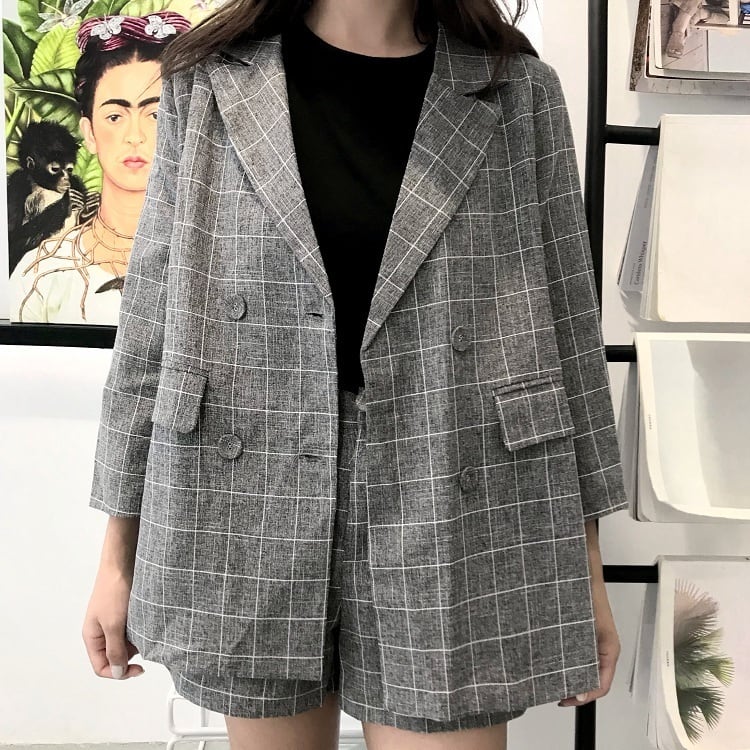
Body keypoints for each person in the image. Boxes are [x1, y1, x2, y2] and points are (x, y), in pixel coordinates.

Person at [82, 1, 629, 749]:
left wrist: (585, 566)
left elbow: (569, 331)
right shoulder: (205, 84)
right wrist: (117, 555)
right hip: (247, 497)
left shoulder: (515, 92)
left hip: (453, 498)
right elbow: (151, 322)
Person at [8, 11, 190, 324]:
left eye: (156, 115)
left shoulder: (218, 265)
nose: (135, 136)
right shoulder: (40, 274)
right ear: (90, 133)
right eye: (115, 117)